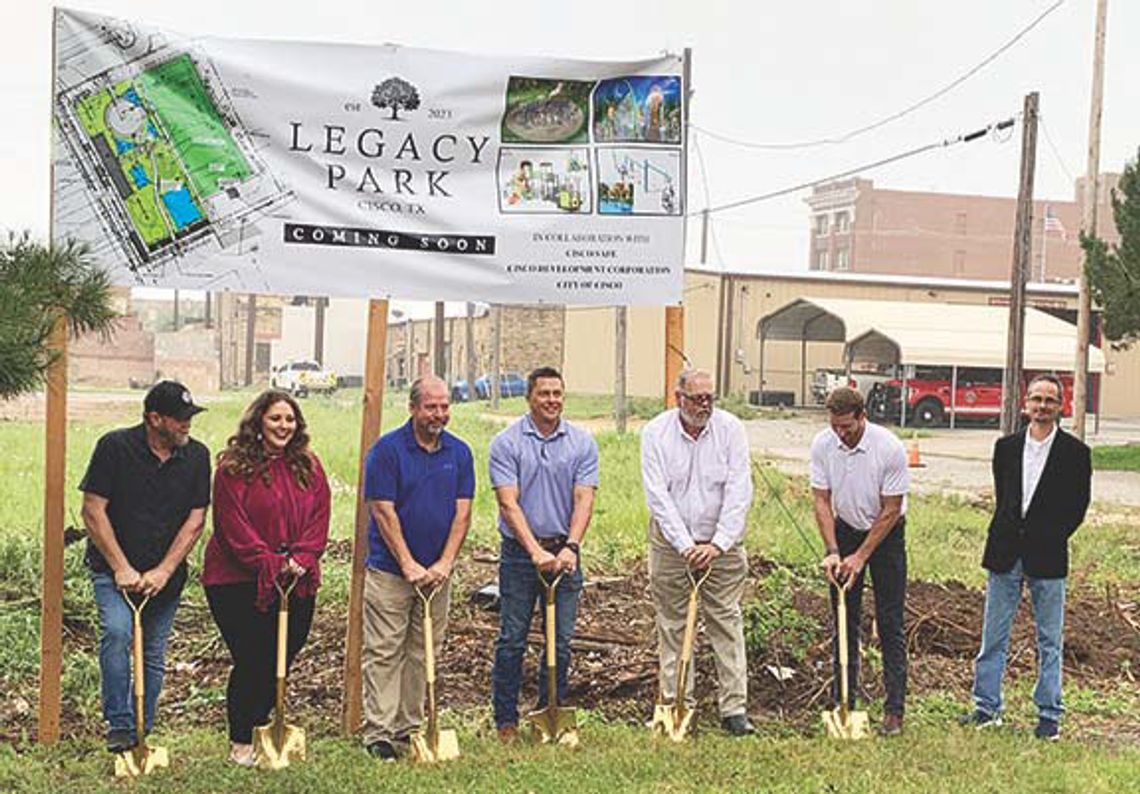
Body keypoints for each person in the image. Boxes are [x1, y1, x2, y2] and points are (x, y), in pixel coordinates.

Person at [80, 380, 211, 753]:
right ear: (155, 418)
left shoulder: (197, 456)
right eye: (180, 418)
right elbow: (93, 510)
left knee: (153, 651)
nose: (188, 424)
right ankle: (120, 725)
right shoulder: (114, 448)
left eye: (190, 417)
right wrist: (121, 566)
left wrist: (165, 570)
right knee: (119, 634)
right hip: (113, 571)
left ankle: (143, 726)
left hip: (164, 576)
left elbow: (195, 519)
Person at [202, 390, 331, 766]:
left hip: (298, 577)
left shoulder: (308, 465)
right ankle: (242, 739)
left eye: (290, 419)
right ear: (258, 421)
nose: (284, 426)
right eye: (276, 418)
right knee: (253, 657)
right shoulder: (232, 468)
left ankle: (264, 727)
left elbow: (320, 515)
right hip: (238, 579)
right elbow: (231, 525)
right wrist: (271, 562)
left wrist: (303, 557)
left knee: (284, 653)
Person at [960, 374, 1091, 740]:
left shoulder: (1076, 454)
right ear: (1025, 403)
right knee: (993, 635)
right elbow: (1005, 500)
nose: (1042, 406)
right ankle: (986, 708)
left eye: (1050, 400)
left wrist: (1048, 536)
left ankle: (1049, 714)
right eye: (1036, 399)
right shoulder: (1005, 448)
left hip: (1047, 557)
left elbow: (1077, 507)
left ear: (1060, 406)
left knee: (1050, 639)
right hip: (1004, 554)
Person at [361, 376, 474, 760]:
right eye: (431, 407)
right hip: (391, 573)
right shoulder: (387, 452)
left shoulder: (459, 453)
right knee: (384, 650)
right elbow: (382, 510)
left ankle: (409, 727)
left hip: (437, 575)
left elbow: (463, 513)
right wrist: (408, 564)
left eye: (444, 407)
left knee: (423, 651)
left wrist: (445, 563)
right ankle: (379, 732)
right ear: (412, 408)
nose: (439, 414)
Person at [640, 369, 755, 736]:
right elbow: (657, 495)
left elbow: (740, 489)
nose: (704, 405)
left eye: (709, 398)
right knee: (672, 624)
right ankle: (676, 703)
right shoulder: (656, 433)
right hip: (672, 544)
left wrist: (718, 543)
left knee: (726, 620)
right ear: (679, 398)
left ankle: (734, 709)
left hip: (722, 546)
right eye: (696, 398)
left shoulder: (731, 429)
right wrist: (685, 545)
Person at [489, 367, 599, 742]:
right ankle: (506, 719)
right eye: (544, 394)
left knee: (560, 641)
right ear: (529, 398)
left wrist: (571, 546)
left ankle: (549, 711)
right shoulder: (507, 442)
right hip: (521, 555)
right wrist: (534, 551)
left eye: (557, 393)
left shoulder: (582, 442)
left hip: (564, 552)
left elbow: (584, 498)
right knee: (513, 638)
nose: (551, 400)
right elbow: (508, 504)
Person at [810, 386, 909, 736]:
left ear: (862, 416)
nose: (841, 434)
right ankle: (844, 702)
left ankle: (894, 710)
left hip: (886, 536)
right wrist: (834, 551)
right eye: (836, 426)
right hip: (845, 531)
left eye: (848, 428)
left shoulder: (889, 448)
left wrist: (861, 557)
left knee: (890, 621)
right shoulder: (823, 444)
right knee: (842, 618)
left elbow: (891, 509)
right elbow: (821, 500)